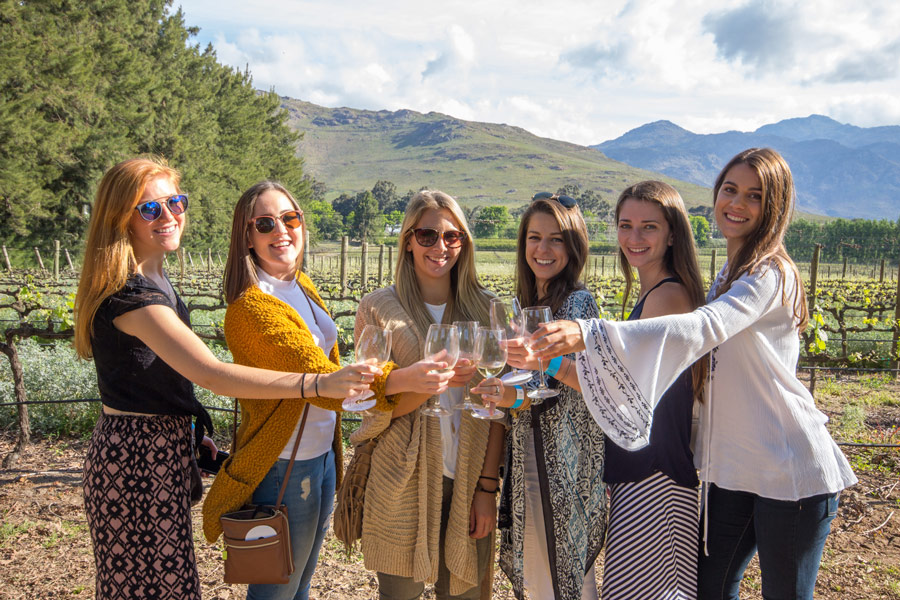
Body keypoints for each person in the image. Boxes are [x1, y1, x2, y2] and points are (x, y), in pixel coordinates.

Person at [528, 149, 858, 600]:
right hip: (732, 469)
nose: (736, 203)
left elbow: (705, 328)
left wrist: (588, 331)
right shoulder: (727, 276)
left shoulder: (771, 273)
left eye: (754, 195)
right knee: (710, 591)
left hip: (790, 467)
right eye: (729, 189)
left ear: (775, 206)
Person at [75, 158, 378, 600]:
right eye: (149, 209)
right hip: (137, 458)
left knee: (165, 584)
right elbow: (210, 373)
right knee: (154, 588)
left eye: (174, 202)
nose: (169, 216)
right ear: (119, 217)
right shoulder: (132, 294)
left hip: (159, 447)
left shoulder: (155, 276)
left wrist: (192, 429)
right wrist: (315, 385)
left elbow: (157, 379)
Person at [200, 181, 448, 600]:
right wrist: (405, 378)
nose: (281, 230)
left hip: (319, 453)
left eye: (289, 218)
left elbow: (331, 374)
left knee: (301, 583)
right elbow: (322, 382)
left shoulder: (300, 286)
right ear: (246, 236)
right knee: (277, 589)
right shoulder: (251, 308)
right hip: (282, 462)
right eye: (265, 223)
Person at [350, 190, 505, 600]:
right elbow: (373, 406)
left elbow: (498, 412)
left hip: (470, 477)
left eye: (452, 237)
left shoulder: (486, 308)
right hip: (401, 482)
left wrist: (487, 490)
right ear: (408, 240)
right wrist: (426, 387)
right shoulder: (379, 308)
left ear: (464, 243)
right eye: (427, 235)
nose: (440, 247)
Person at [473, 192, 608, 599]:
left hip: (560, 470)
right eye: (534, 237)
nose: (542, 249)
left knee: (557, 579)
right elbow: (529, 393)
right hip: (531, 456)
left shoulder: (577, 302)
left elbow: (561, 390)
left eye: (556, 239)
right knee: (545, 579)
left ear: (574, 246)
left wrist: (512, 394)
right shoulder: (529, 304)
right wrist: (502, 393)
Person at [601, 181, 705, 600]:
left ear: (673, 233)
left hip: (656, 479)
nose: (634, 238)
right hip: (642, 472)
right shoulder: (653, 292)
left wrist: (550, 359)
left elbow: (625, 387)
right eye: (626, 226)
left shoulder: (669, 296)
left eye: (648, 227)